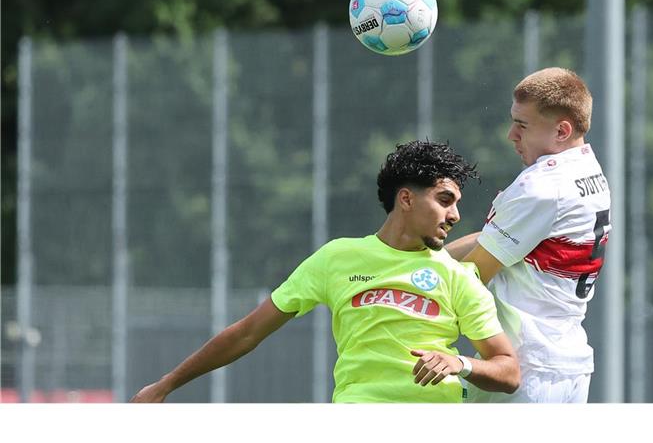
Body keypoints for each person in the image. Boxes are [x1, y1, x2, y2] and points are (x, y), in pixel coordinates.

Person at [131, 140, 520, 403]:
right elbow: (248, 332)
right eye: (445, 200)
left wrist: (460, 363)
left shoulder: (457, 276)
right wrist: (166, 385)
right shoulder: (337, 258)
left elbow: (508, 371)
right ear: (405, 198)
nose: (455, 215)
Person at [447, 67, 611, 403]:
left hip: (528, 368)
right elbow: (496, 240)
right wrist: (423, 257)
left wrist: (400, 283)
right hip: (566, 362)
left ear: (562, 130)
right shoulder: (588, 169)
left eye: (522, 125)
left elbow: (471, 278)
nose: (511, 135)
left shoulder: (542, 187)